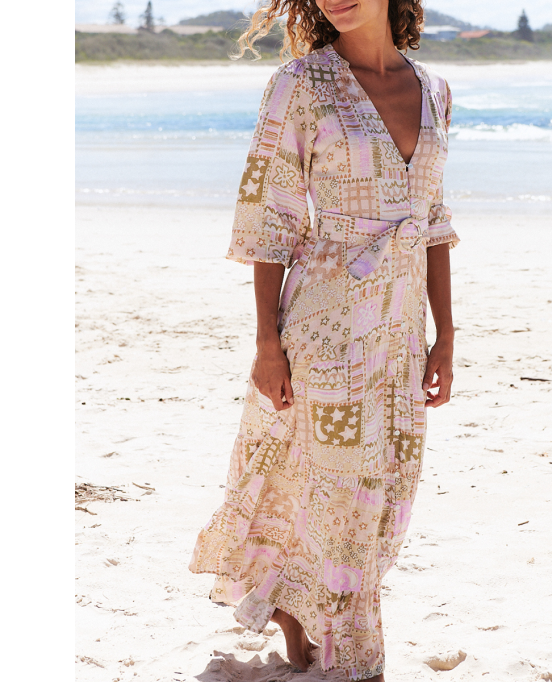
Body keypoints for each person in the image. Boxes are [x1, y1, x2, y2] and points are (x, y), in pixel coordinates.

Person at [188, 0, 459, 678]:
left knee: (386, 488)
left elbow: (431, 220)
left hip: (401, 330)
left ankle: (294, 605)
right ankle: (354, 653)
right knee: (336, 485)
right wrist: (266, 344)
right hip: (326, 322)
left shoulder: (435, 90)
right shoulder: (299, 85)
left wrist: (446, 333)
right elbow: (269, 214)